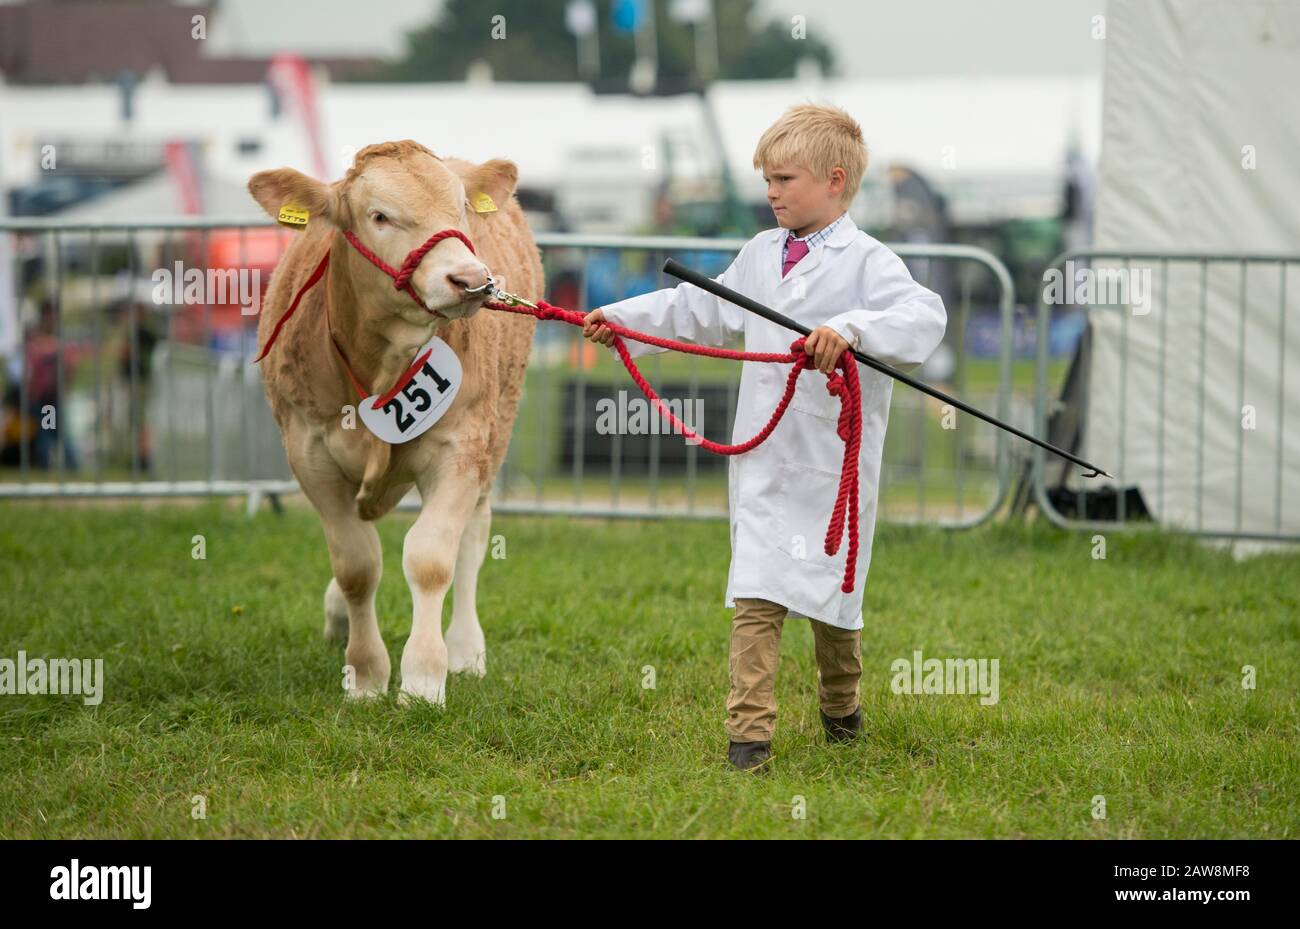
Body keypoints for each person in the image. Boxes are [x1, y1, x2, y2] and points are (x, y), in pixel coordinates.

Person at [582, 103, 948, 772]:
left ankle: (842, 709)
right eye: (767, 180)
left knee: (833, 607)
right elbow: (697, 306)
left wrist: (853, 332)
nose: (771, 192)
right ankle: (749, 742)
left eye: (784, 179)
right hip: (764, 459)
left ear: (835, 180)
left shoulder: (868, 261)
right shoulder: (757, 254)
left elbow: (924, 316)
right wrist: (621, 318)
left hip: (829, 467)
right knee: (756, 595)